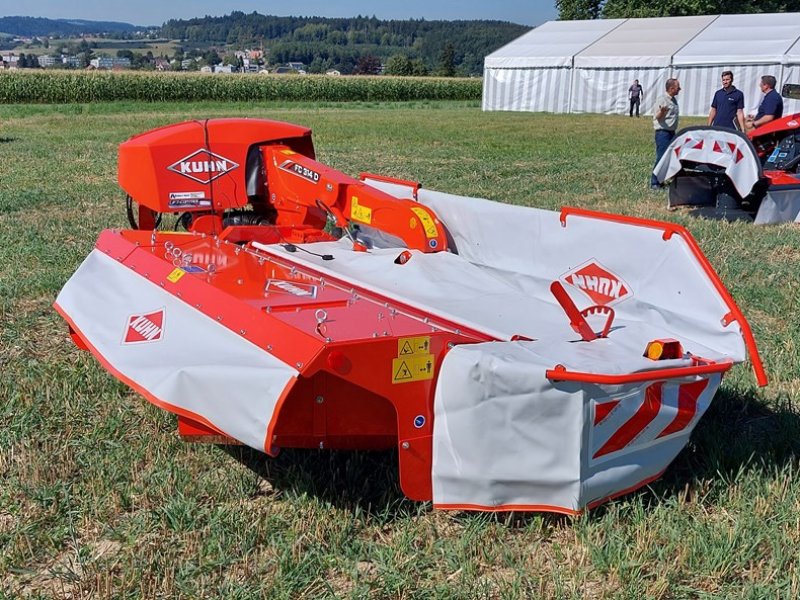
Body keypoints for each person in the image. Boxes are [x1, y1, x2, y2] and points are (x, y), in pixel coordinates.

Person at [650, 78, 681, 189]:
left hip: (671, 133)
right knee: (661, 157)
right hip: (663, 133)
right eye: (678, 87)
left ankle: (663, 179)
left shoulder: (673, 100)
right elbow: (657, 116)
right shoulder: (662, 99)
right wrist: (661, 112)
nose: (680, 89)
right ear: (671, 88)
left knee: (671, 157)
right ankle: (654, 182)